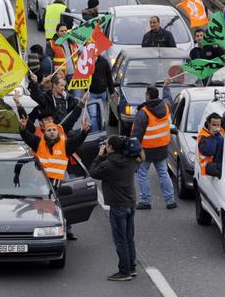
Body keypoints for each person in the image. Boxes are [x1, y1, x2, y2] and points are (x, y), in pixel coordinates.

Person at [20, 110, 90, 239]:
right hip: (39, 187)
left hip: (56, 187)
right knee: (39, 212)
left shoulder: (65, 145)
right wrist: (23, 129)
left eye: (54, 130)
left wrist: (84, 132)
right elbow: (27, 137)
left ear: (58, 133)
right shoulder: (38, 143)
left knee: (58, 213)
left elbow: (77, 141)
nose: (52, 132)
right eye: (49, 130)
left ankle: (63, 231)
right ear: (44, 133)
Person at [91, 135, 139, 281]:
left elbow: (93, 172)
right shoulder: (130, 160)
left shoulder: (108, 165)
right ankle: (132, 267)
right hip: (130, 203)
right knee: (129, 238)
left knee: (120, 240)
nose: (105, 146)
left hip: (118, 206)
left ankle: (124, 271)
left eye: (106, 144)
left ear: (111, 148)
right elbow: (138, 164)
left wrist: (100, 156)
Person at [131, 86, 176, 210]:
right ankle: (170, 200)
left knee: (142, 174)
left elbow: (137, 134)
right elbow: (169, 99)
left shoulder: (144, 112)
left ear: (148, 96)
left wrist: (132, 150)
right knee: (163, 173)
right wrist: (166, 86)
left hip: (146, 150)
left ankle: (145, 201)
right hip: (161, 148)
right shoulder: (165, 107)